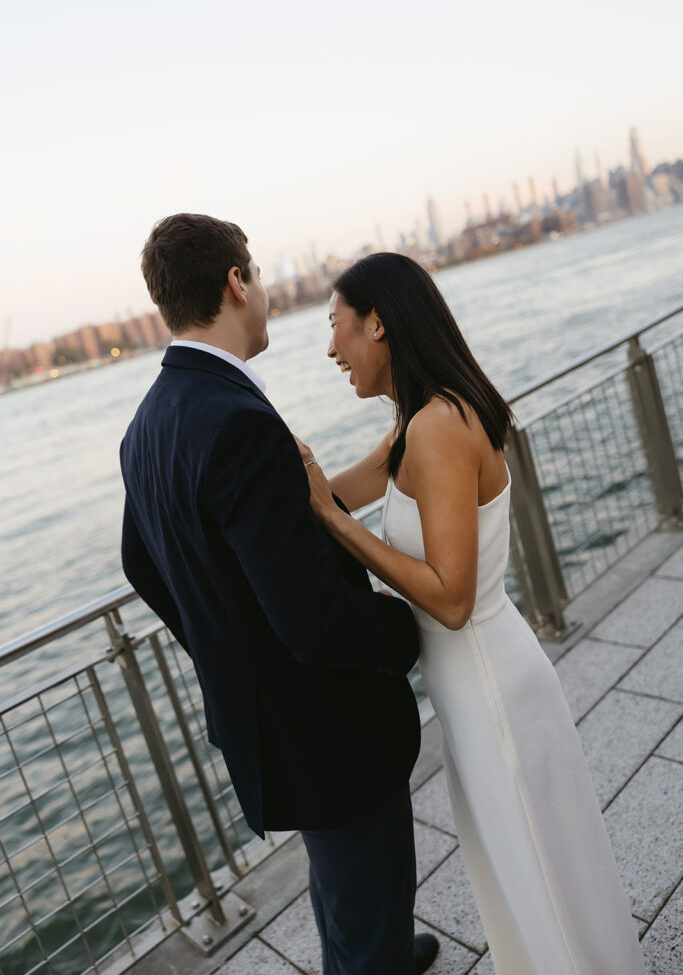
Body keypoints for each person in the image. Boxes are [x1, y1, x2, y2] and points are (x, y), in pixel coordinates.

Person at [296, 251, 646, 975]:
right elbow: (330, 494)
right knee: (529, 879)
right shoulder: (413, 424)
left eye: (335, 326)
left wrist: (338, 532)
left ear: (379, 322)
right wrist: (273, 480)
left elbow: (450, 599)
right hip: (472, 691)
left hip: (491, 690)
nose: (331, 349)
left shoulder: (437, 428)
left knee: (538, 880)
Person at [119, 215, 439, 975]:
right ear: (236, 282)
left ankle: (381, 954)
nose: (261, 291)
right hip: (324, 722)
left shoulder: (146, 426)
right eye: (255, 275)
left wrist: (226, 646)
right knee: (366, 875)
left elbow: (140, 563)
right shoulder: (233, 419)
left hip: (268, 724)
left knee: (343, 881)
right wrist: (409, 627)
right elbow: (314, 621)